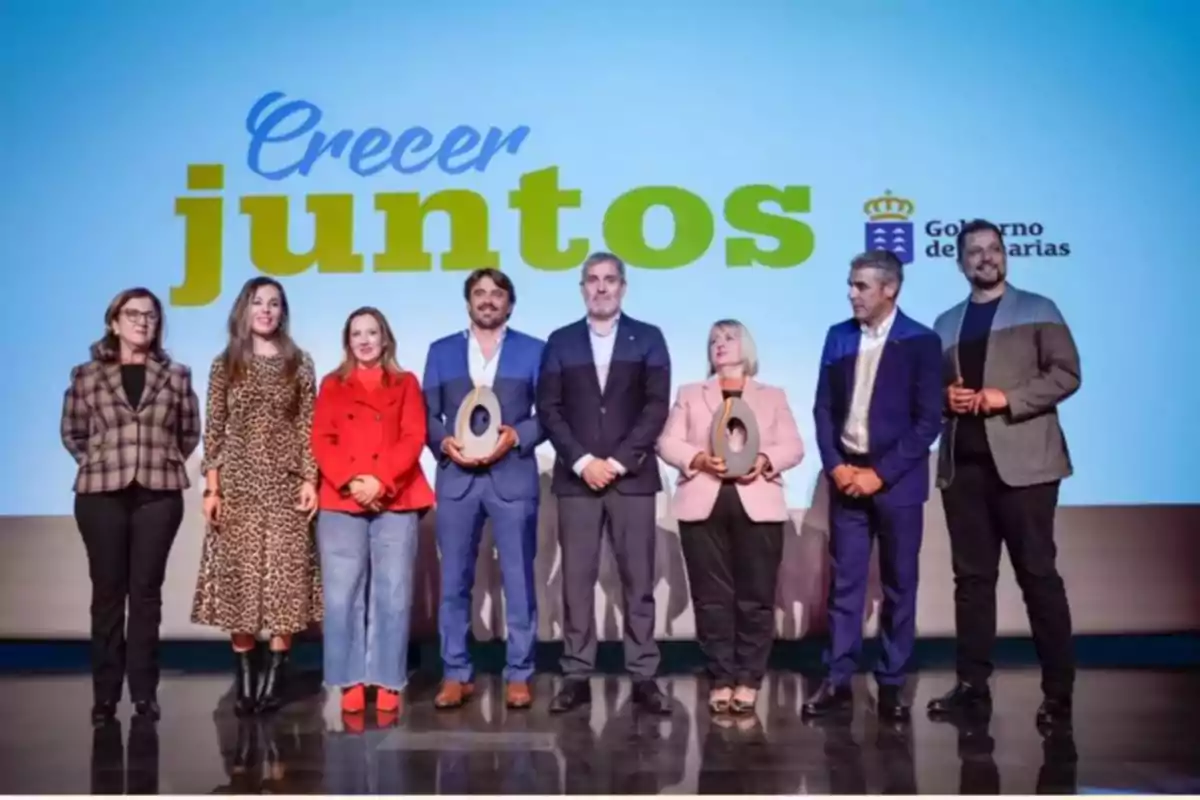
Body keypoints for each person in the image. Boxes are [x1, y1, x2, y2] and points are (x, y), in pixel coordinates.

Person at [927, 219, 1081, 730]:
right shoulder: (945, 323)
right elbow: (930, 394)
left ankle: (1058, 693)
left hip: (1026, 466)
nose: (986, 258)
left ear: (1006, 255)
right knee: (972, 581)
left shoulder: (1039, 308)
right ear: (960, 262)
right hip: (963, 467)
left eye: (994, 249)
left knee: (1037, 576)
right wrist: (943, 400)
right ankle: (972, 686)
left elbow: (1066, 373)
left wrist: (1006, 399)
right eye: (975, 252)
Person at [804, 250, 942, 722]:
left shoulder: (921, 342)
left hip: (897, 482)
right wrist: (837, 467)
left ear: (890, 289)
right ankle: (838, 679)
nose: (851, 294)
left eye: (861, 286)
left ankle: (891, 683)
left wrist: (879, 474)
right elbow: (823, 409)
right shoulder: (837, 336)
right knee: (845, 585)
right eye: (850, 284)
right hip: (846, 477)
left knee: (900, 585)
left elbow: (928, 422)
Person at [535, 251, 672, 715]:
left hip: (631, 479)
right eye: (592, 280)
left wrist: (615, 461)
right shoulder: (560, 341)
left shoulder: (649, 338)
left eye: (609, 279)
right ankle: (576, 673)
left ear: (623, 287)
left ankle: (644, 676)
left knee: (638, 581)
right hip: (577, 482)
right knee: (576, 581)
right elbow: (549, 409)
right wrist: (582, 461)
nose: (600, 287)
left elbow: (656, 406)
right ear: (581, 288)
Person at [60, 287, 201, 726]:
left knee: (145, 595)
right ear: (114, 321)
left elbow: (189, 431)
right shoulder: (86, 375)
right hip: (101, 494)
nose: (143, 322)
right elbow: (73, 432)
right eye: (133, 314)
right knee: (107, 594)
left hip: (158, 493)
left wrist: (159, 458)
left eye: (151, 316)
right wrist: (103, 462)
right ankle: (104, 697)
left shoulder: (175, 374)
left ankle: (144, 694)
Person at [656, 319, 805, 715]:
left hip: (758, 504)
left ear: (747, 347)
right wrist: (698, 458)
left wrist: (765, 460)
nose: (719, 345)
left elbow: (793, 446)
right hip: (703, 502)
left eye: (728, 338)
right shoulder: (691, 393)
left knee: (756, 598)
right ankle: (721, 677)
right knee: (711, 598)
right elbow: (667, 441)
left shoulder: (772, 395)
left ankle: (749, 678)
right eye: (713, 340)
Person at [191, 277, 322, 716]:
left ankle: (276, 671)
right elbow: (214, 428)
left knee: (286, 578)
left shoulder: (299, 363)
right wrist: (212, 486)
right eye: (258, 303)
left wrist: (310, 480)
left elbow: (308, 426)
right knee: (240, 579)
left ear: (283, 312)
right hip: (239, 484)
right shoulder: (224, 363)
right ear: (243, 310)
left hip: (286, 484)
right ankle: (245, 671)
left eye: (274, 304)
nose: (266, 310)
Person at [422, 269, 546, 710]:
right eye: (479, 293)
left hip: (512, 477)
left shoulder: (535, 350)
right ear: (468, 302)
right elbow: (427, 415)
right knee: (454, 582)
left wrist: (517, 435)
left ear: (509, 304)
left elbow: (548, 414)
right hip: (457, 481)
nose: (488, 300)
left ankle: (520, 673)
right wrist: (443, 442)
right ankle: (456, 673)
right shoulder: (441, 352)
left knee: (519, 580)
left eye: (497, 294)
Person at [311, 307, 434, 717]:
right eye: (357, 333)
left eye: (372, 332)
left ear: (386, 338)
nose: (364, 340)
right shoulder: (332, 384)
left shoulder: (405, 382)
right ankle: (349, 679)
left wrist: (379, 480)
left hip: (395, 495)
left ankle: (387, 679)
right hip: (341, 496)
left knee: (393, 591)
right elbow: (322, 439)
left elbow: (414, 435)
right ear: (348, 341)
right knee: (342, 594)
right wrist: (352, 481)